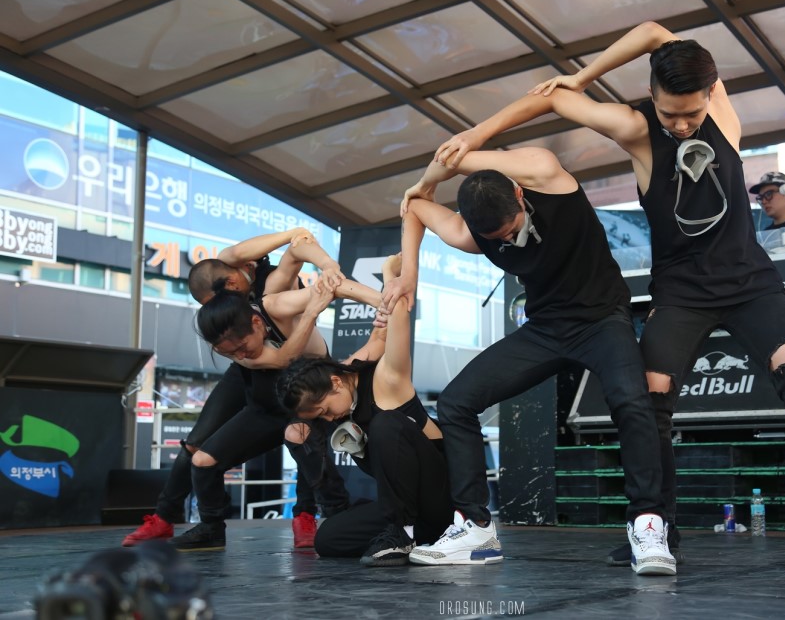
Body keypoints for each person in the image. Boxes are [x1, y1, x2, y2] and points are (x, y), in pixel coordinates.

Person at [430, 20, 785, 576]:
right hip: (682, 293)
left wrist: (593, 73)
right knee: (651, 400)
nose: (683, 124)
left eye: (692, 112)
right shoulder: (638, 132)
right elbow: (553, 98)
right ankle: (658, 529)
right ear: (651, 96)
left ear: (710, 93)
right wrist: (486, 130)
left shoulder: (722, 117)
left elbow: (655, 32)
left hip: (751, 285)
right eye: (670, 114)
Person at [382, 146, 675, 575]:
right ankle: (475, 528)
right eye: (495, 238)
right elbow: (414, 208)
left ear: (519, 195)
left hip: (602, 320)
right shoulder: (471, 232)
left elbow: (453, 155)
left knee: (632, 401)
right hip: (545, 331)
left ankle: (648, 524)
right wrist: (410, 272)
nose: (504, 240)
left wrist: (427, 181)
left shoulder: (546, 177)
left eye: (510, 230)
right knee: (455, 402)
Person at [122, 229, 379, 550]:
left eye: (218, 300)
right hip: (262, 386)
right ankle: (181, 521)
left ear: (232, 284)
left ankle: (315, 515)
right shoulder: (234, 344)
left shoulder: (270, 292)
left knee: (301, 435)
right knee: (200, 453)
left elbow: (300, 247)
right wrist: (311, 314)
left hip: (300, 381)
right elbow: (279, 358)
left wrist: (336, 272)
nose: (217, 307)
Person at [277, 255, 453, 566]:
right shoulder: (344, 380)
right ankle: (409, 531)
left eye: (324, 410)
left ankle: (403, 535)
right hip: (407, 507)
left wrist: (372, 278)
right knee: (328, 539)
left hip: (439, 498)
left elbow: (397, 311)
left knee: (386, 424)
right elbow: (379, 333)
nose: (328, 419)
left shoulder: (388, 379)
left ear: (335, 383)